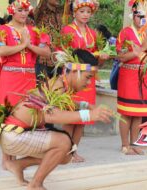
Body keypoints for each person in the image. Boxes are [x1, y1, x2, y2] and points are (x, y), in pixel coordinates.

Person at [0, 49, 114, 190]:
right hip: (14, 135)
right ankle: (35, 185)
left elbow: (65, 104)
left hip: (17, 134)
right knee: (64, 142)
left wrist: (86, 105)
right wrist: (88, 115)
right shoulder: (56, 86)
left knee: (66, 155)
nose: (88, 83)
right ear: (74, 71)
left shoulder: (60, 84)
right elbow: (52, 115)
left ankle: (18, 165)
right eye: (87, 77)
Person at [0, 0, 51, 171]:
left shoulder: (34, 31)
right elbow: (0, 51)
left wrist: (29, 44)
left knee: (29, 113)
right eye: (20, 10)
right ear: (11, 11)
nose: (24, 13)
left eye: (26, 10)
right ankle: (7, 159)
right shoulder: (2, 31)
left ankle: (23, 156)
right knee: (8, 114)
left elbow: (46, 52)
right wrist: (23, 45)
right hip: (9, 76)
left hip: (29, 77)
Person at [60, 0, 109, 162]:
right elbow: (62, 56)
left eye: (88, 12)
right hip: (73, 79)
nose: (86, 15)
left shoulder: (94, 34)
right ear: (74, 13)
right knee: (70, 116)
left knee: (83, 117)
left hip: (88, 80)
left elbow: (96, 63)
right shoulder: (67, 30)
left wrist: (102, 57)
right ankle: (63, 152)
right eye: (82, 12)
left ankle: (73, 152)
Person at [115, 0, 147, 155]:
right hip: (129, 75)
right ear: (133, 15)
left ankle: (134, 143)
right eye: (138, 16)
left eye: (145, 16)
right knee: (126, 112)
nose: (141, 19)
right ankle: (125, 145)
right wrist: (140, 50)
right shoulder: (125, 32)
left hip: (145, 76)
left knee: (138, 112)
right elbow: (121, 57)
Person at [34, 0, 64, 79]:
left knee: (58, 89)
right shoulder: (40, 11)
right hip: (43, 60)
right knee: (42, 89)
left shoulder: (61, 10)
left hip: (58, 60)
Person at [96, 24, 119, 90]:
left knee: (113, 81)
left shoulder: (111, 40)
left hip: (119, 63)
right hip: (116, 63)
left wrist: (107, 56)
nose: (95, 34)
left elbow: (116, 53)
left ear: (101, 32)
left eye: (96, 32)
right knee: (112, 81)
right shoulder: (105, 41)